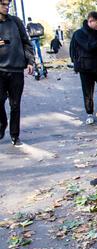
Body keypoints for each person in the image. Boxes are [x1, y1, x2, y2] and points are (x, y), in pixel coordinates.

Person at [0, 0, 35, 146]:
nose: (6, 7)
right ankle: (3, 123)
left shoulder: (16, 22)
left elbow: (26, 42)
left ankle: (15, 136)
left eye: (8, 4)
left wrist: (30, 61)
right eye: (3, 4)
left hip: (16, 70)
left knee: (15, 105)